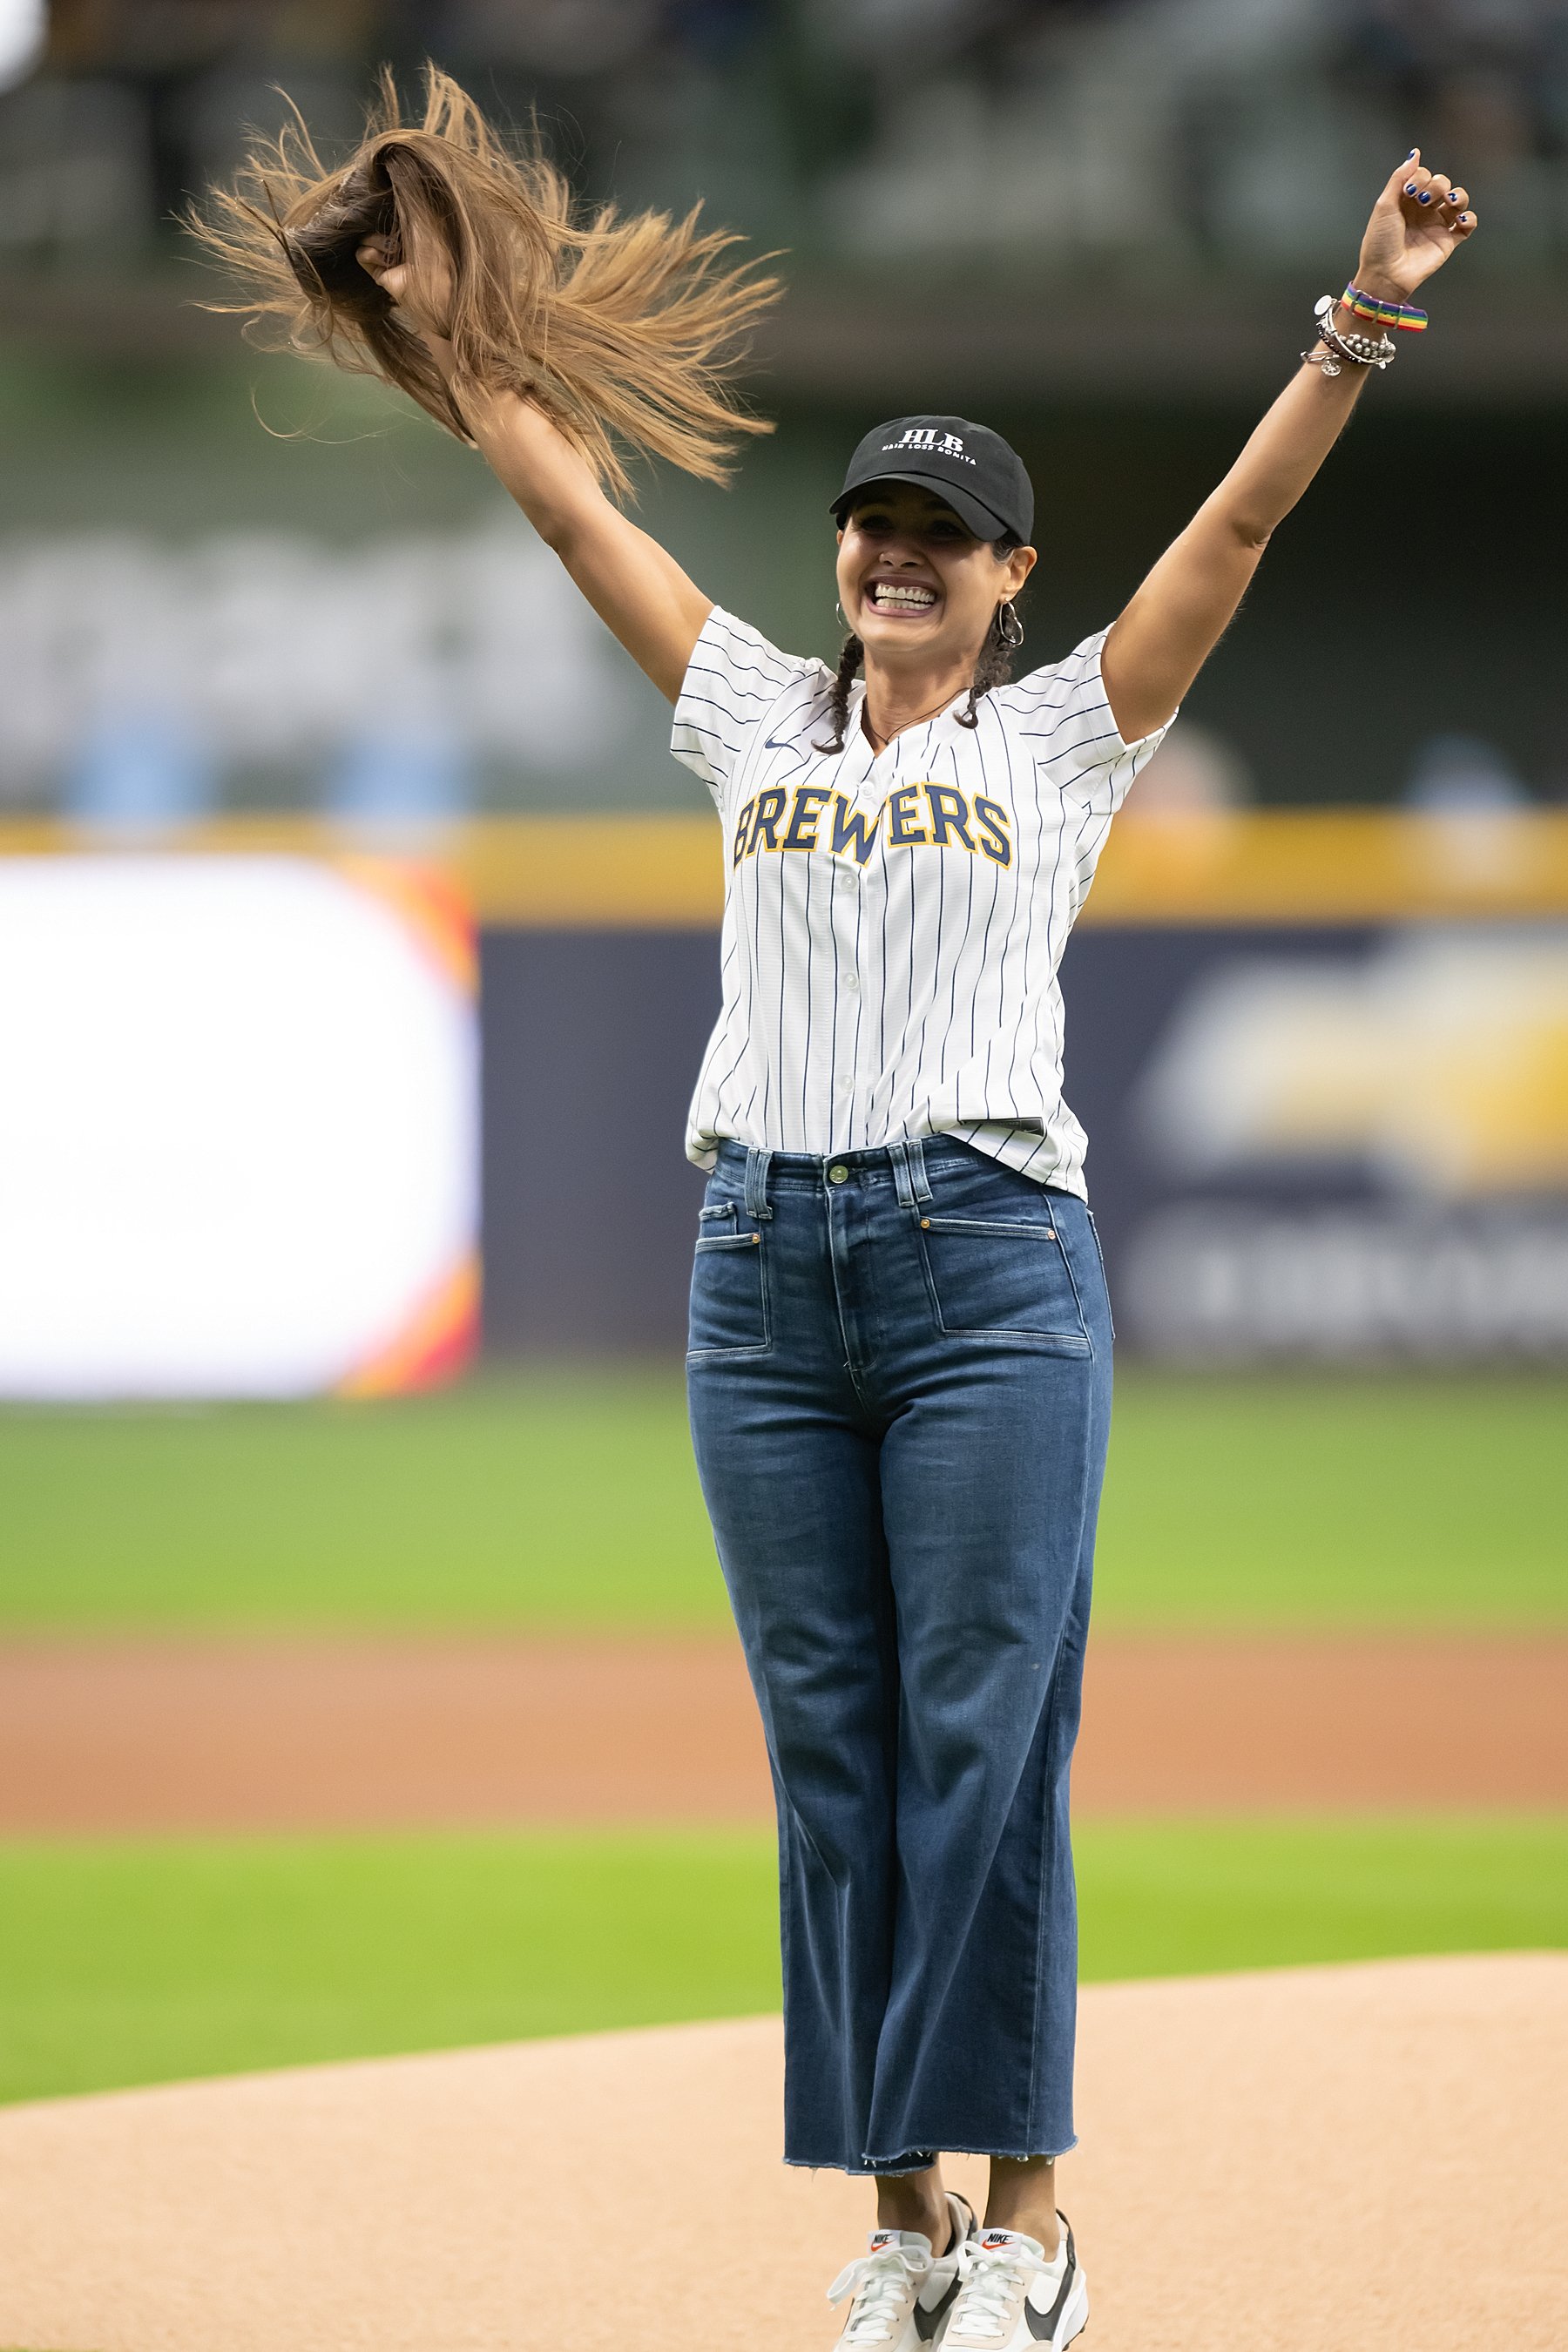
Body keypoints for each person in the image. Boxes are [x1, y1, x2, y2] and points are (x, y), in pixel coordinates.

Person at [198, 78, 1477, 2352]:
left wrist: (1358, 319)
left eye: (944, 536)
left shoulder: (1071, 737)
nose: (897, 555)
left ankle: (1033, 2220)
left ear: (1011, 580)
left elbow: (1246, 531)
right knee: (835, 1748)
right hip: (763, 1276)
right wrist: (441, 327)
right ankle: (904, 2226)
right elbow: (570, 508)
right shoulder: (748, 713)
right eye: (876, 523)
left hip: (988, 1268)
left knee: (988, 1722)